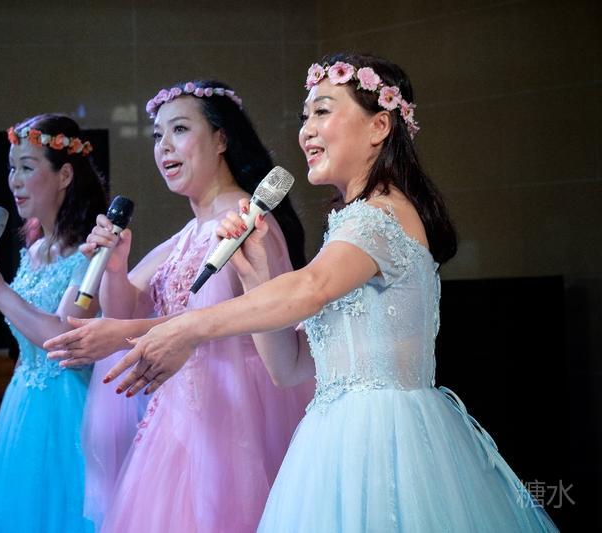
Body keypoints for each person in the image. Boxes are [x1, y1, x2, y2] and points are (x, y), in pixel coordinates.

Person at [105, 54, 559, 532]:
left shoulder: (380, 215)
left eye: (322, 111)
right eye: (305, 117)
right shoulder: (347, 225)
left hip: (384, 444)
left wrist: (188, 328)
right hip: (333, 439)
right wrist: (258, 277)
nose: (306, 131)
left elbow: (311, 287)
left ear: (379, 126)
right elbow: (289, 366)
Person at [44, 80, 313, 532]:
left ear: (221, 139)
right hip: (180, 418)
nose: (164, 146)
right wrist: (115, 267)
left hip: (235, 413)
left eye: (180, 130)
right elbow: (126, 308)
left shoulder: (247, 221)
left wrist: (124, 333)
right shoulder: (187, 235)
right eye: (157, 135)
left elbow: (234, 317)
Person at [0, 113, 108, 532]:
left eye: (27, 167)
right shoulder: (35, 249)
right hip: (23, 406)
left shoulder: (91, 251)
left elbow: (63, 336)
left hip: (69, 411)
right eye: (12, 168)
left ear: (65, 175)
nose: (15, 181)